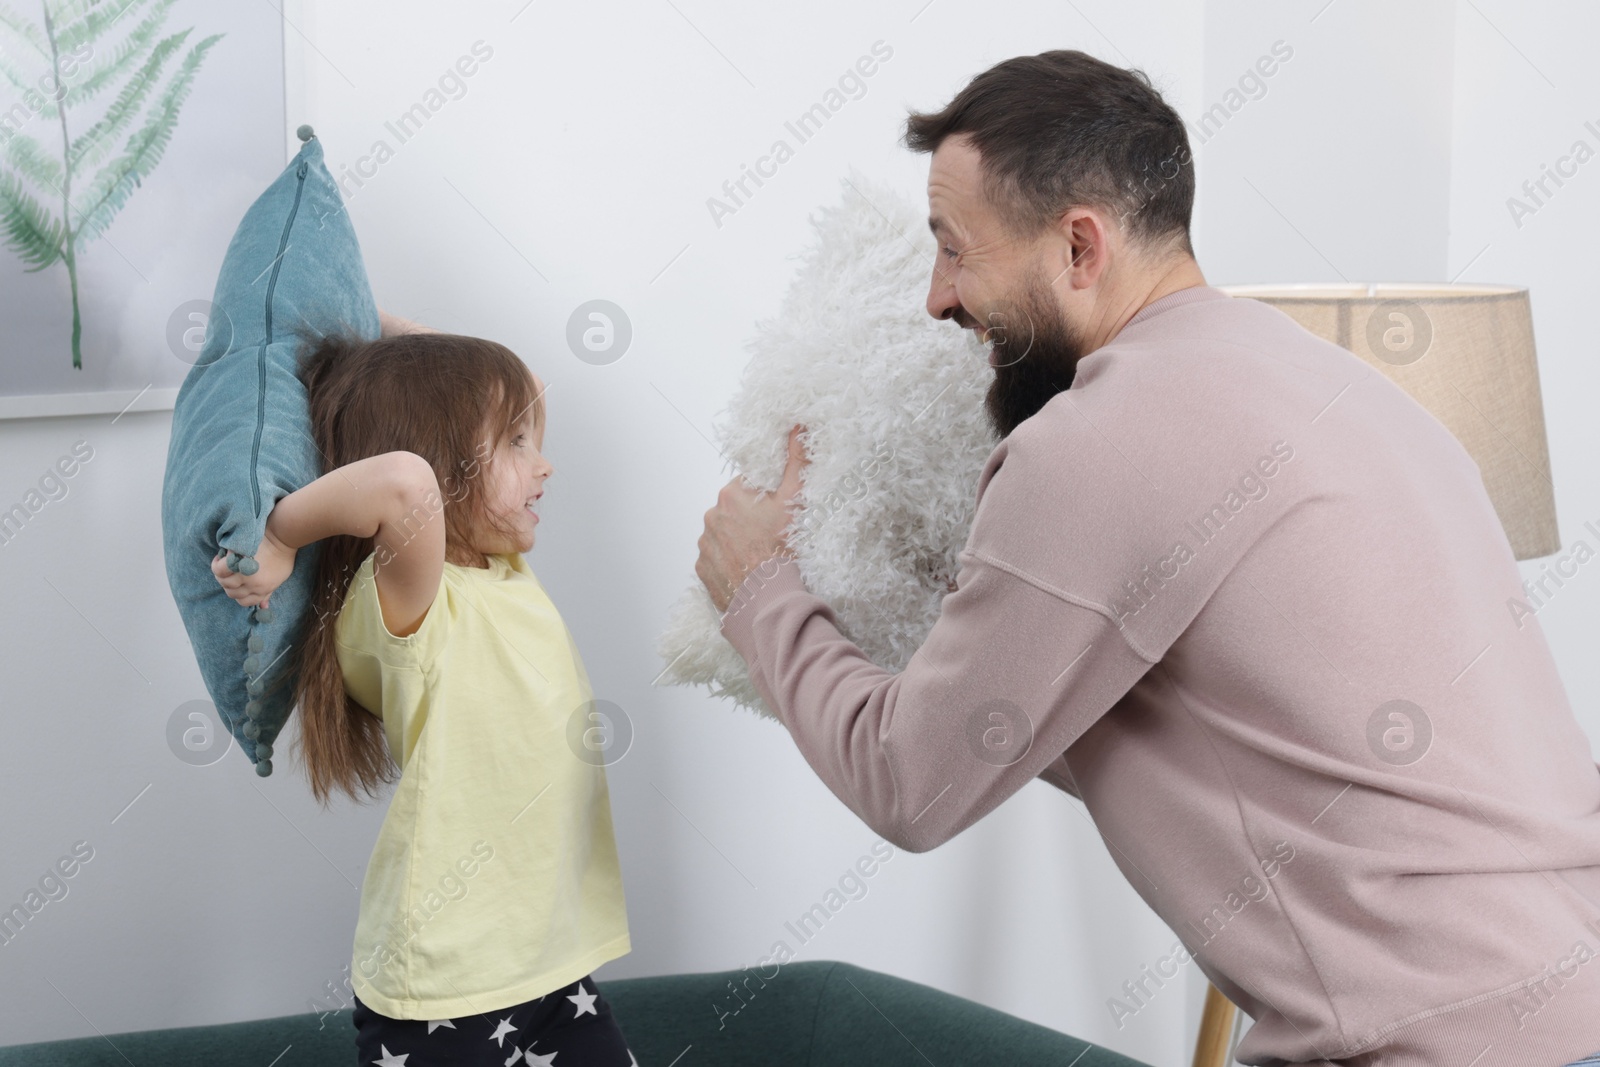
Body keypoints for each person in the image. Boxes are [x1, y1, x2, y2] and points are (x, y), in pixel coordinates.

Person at [695, 50, 1600, 1067]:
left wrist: (760, 590)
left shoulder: (1094, 441)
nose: (936, 299)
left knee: (809, 1022)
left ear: (1079, 244)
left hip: (1423, 1053)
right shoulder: (1352, 394)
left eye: (953, 249)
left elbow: (911, 783)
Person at [211, 313, 636, 1066]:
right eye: (512, 443)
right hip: (449, 983)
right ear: (444, 463)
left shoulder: (498, 569)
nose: (544, 464)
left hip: (547, 960)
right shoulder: (410, 597)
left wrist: (373, 315)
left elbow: (527, 384)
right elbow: (404, 480)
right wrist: (280, 534)